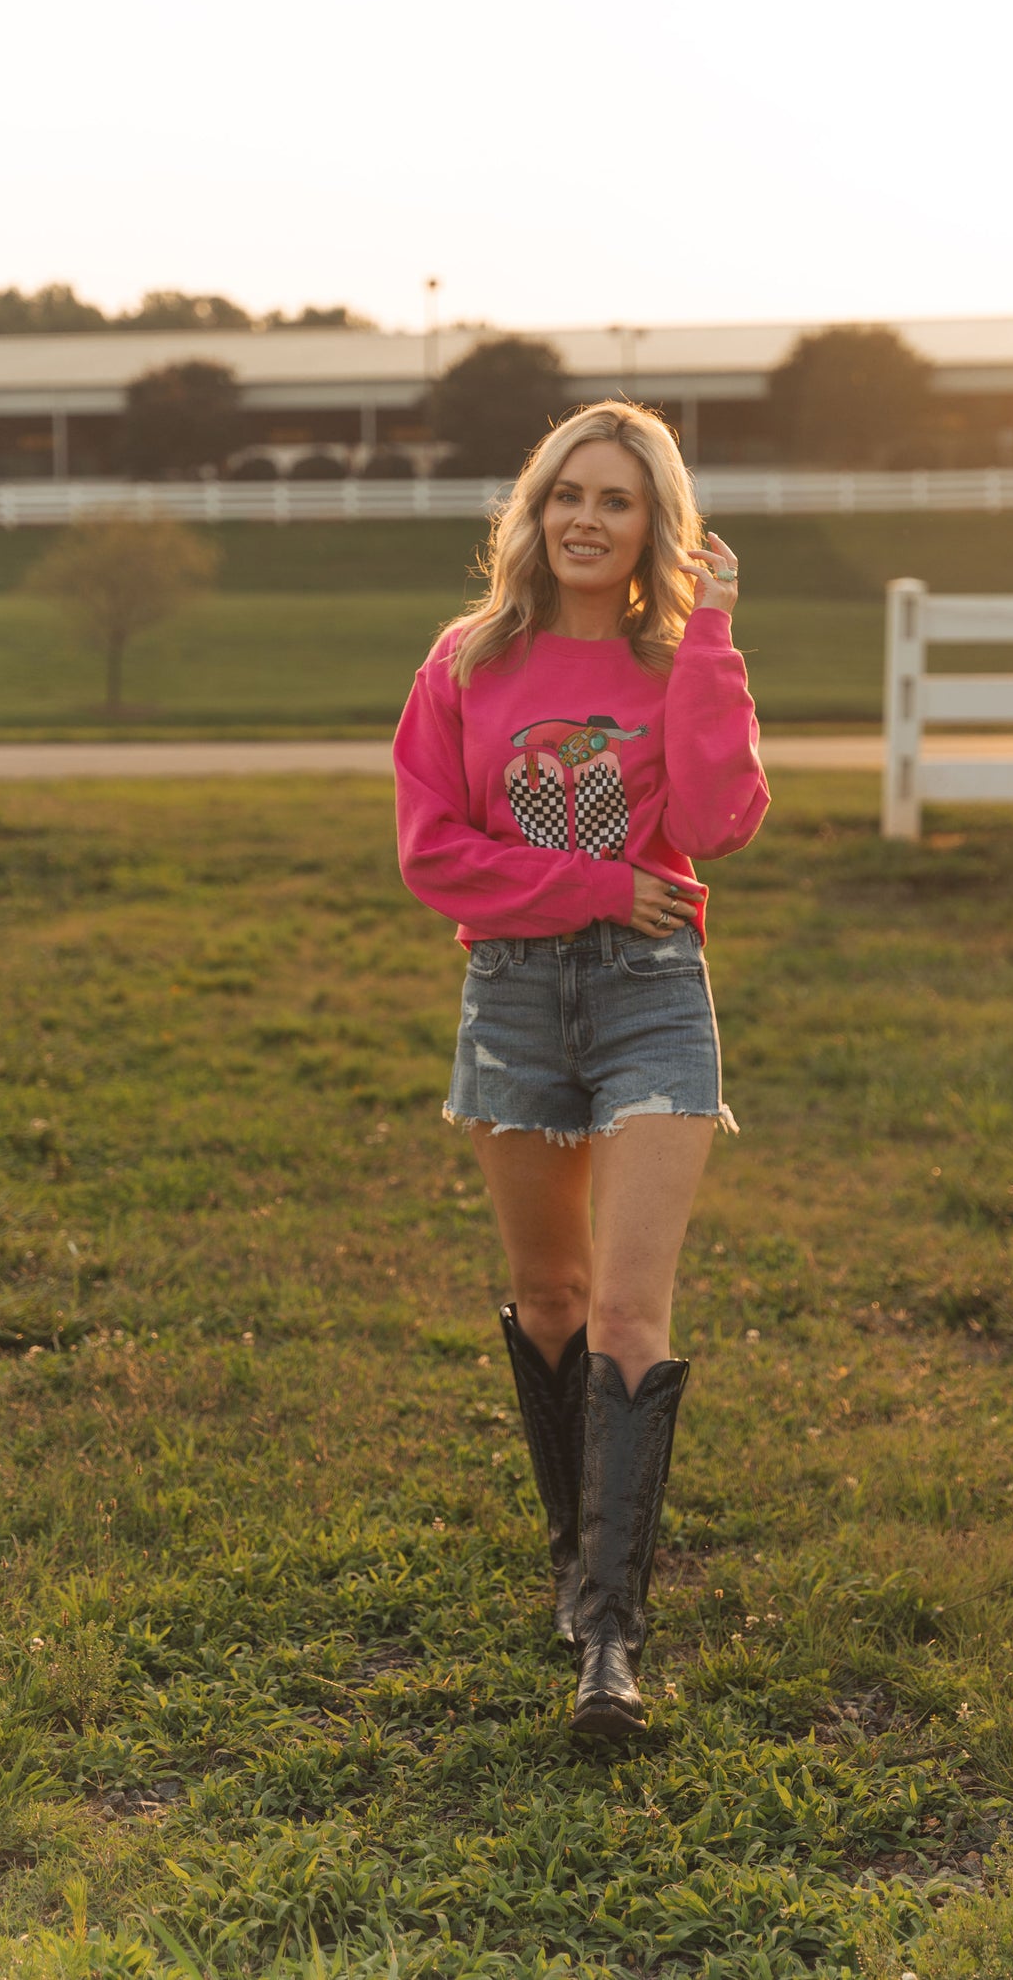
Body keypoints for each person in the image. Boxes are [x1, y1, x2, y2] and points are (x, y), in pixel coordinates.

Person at [392, 400, 768, 1735]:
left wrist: (711, 635)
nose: (585, 520)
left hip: (653, 1002)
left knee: (623, 1312)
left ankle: (609, 1635)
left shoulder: (679, 660)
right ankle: (575, 1563)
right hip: (511, 996)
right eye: (566, 494)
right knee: (545, 1292)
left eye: (615, 500)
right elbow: (432, 854)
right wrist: (602, 883)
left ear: (653, 524)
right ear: (534, 511)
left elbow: (719, 823)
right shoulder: (466, 659)